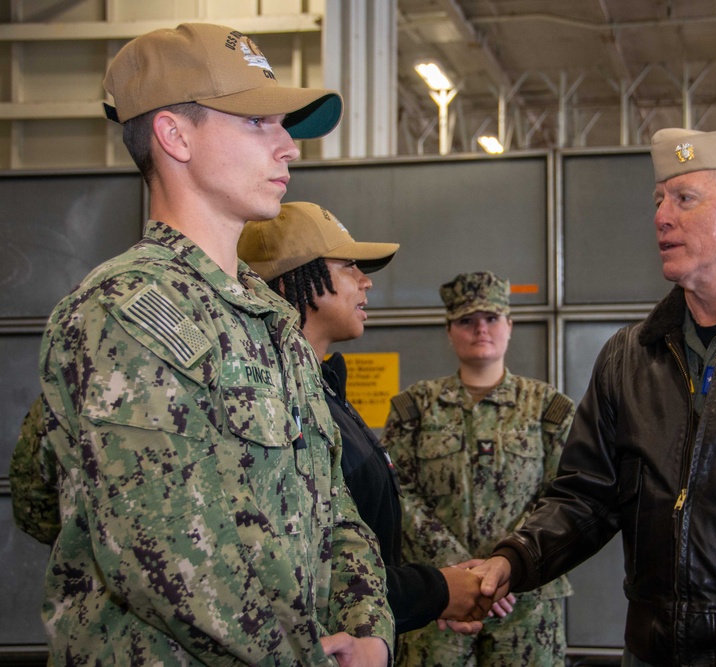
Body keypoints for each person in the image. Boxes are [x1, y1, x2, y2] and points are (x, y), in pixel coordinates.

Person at [27, 22, 393, 666]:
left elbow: (333, 506)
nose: (289, 149)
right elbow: (166, 557)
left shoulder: (270, 321)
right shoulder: (125, 311)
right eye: (259, 124)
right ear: (175, 135)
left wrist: (370, 632)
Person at [474, 125, 716, 666]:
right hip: (652, 650)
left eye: (685, 198)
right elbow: (586, 495)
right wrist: (515, 559)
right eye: (659, 200)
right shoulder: (630, 357)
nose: (661, 216)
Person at [236, 201, 494, 634]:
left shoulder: (323, 390)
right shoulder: (278, 405)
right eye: (349, 266)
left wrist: (432, 596)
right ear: (297, 280)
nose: (366, 281)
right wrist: (437, 591)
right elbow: (308, 572)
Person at [381, 271, 576, 667]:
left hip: (526, 602)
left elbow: (565, 495)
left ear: (509, 325)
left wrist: (508, 568)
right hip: (437, 600)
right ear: (449, 330)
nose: (480, 329)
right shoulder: (415, 406)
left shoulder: (547, 409)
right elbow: (397, 491)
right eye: (466, 320)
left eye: (490, 318)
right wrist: (458, 574)